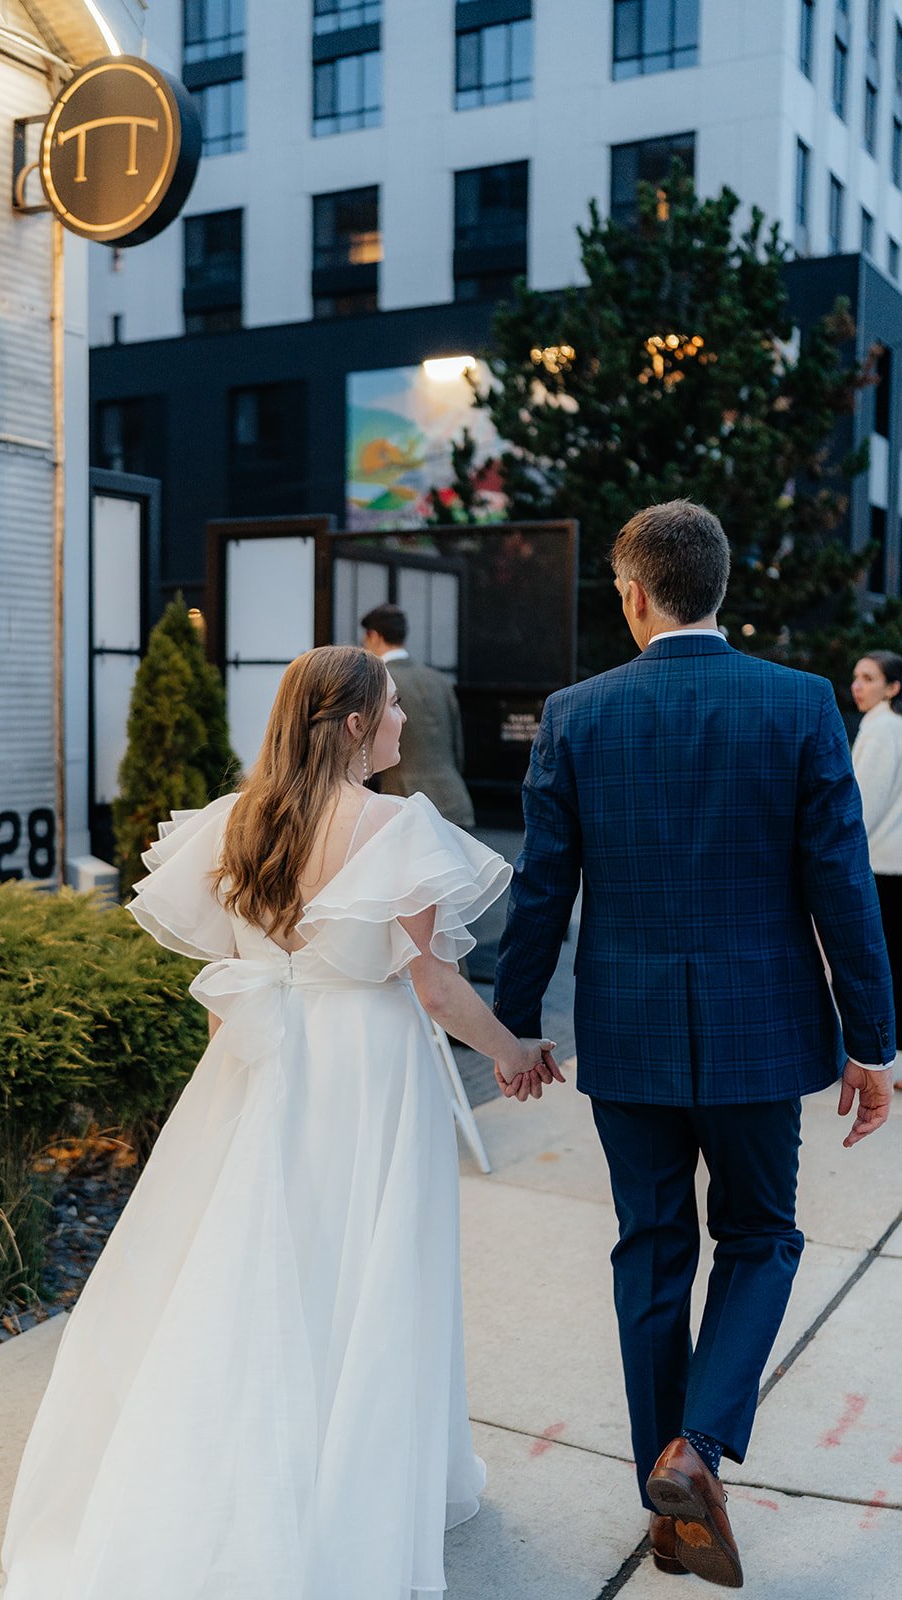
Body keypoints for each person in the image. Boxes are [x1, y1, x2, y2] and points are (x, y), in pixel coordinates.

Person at [0, 645, 558, 1600]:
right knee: (364, 1267)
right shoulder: (393, 824)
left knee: (250, 1262)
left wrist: (243, 1075)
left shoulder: (234, 823)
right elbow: (434, 983)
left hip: (260, 1061)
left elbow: (224, 987)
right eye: (391, 711)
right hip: (366, 1071)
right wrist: (509, 1051)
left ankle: (239, 1475)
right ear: (357, 724)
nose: (405, 724)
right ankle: (347, 1494)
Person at [493, 501, 894, 1589]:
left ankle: (667, 1505)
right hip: (764, 1032)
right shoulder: (799, 703)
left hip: (625, 1037)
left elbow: (541, 890)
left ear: (631, 593)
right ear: (718, 587)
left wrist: (516, 1023)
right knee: (760, 1234)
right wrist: (874, 1042)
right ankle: (697, 1451)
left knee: (651, 1246)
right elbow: (840, 887)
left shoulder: (576, 713)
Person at [360, 603, 476, 827]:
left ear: (373, 636)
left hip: (404, 799)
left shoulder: (378, 681)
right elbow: (458, 749)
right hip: (454, 800)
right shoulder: (439, 680)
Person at [851, 650, 902, 1092]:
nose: (858, 686)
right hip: (891, 863)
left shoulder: (883, 729)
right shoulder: (888, 727)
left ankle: (887, 1059)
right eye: (856, 677)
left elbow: (862, 806)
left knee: (882, 964)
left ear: (893, 687)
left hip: (882, 866)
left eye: (869, 678)